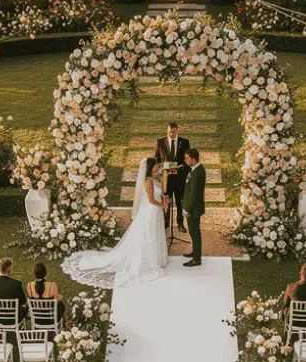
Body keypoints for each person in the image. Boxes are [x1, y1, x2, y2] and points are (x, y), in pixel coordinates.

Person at [63, 158, 170, 287]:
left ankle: (156, 258)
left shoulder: (154, 180)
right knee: (149, 234)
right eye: (155, 166)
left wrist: (165, 192)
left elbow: (161, 192)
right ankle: (148, 260)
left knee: (154, 233)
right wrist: (163, 205)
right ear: (150, 167)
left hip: (155, 212)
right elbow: (152, 200)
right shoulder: (148, 182)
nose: (158, 167)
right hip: (150, 212)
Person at [155, 121, 190, 230]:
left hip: (179, 178)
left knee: (180, 201)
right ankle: (166, 222)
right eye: (170, 132)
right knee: (166, 200)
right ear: (167, 131)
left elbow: (188, 160)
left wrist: (183, 170)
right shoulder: (160, 141)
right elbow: (157, 158)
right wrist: (161, 169)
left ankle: (180, 223)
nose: (172, 135)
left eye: (174, 133)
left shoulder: (184, 142)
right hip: (167, 178)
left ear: (177, 130)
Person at [180, 148, 206, 267]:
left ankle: (196, 259)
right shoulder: (195, 169)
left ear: (193, 159)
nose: (185, 160)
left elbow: (193, 193)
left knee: (194, 232)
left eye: (187, 158)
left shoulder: (197, 172)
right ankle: (195, 253)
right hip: (194, 207)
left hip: (193, 209)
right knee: (194, 232)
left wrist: (186, 209)